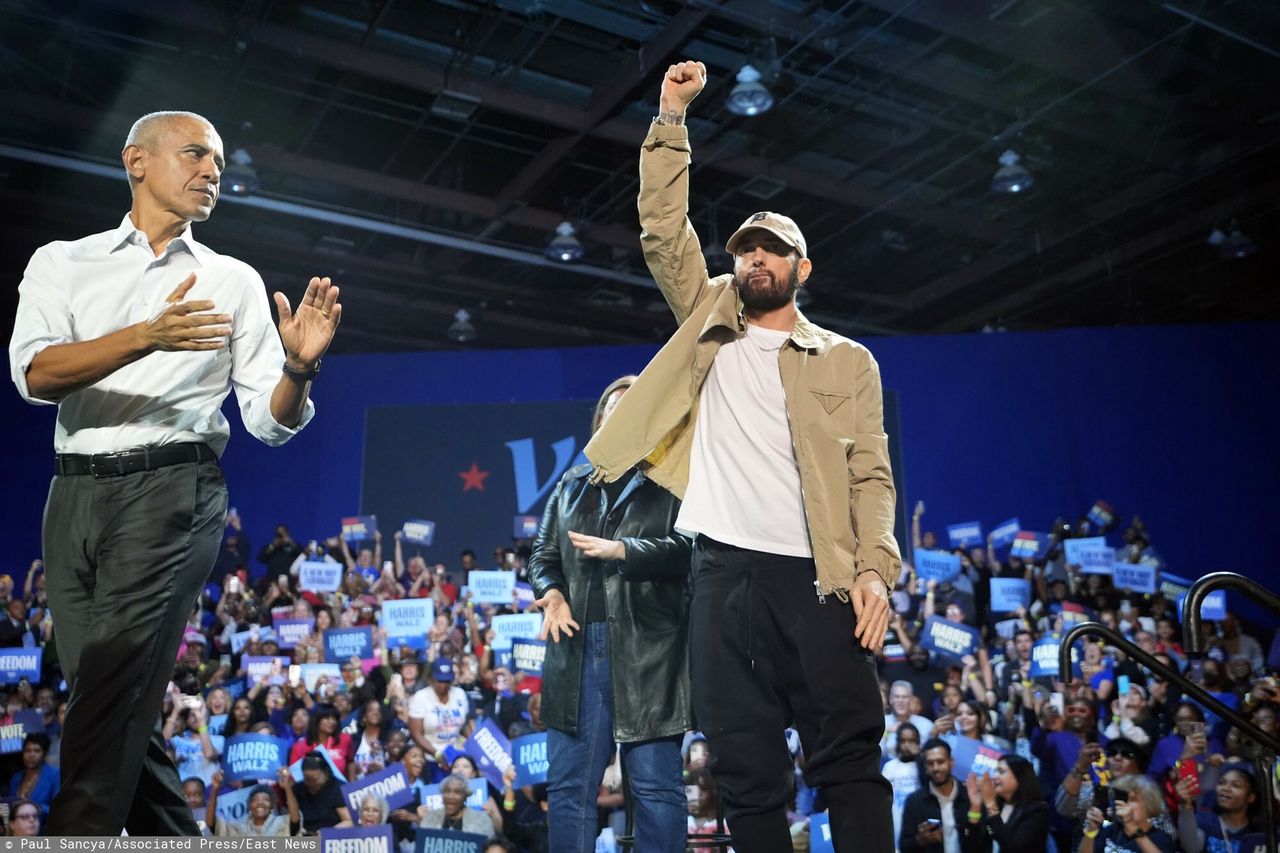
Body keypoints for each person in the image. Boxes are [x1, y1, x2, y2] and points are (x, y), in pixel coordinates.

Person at [581, 59, 898, 853]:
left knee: (849, 758)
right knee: (742, 764)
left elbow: (872, 476)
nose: (756, 259)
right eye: (746, 250)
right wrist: (670, 119)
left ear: (802, 269)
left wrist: (874, 569)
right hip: (721, 572)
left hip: (816, 575)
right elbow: (661, 229)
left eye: (773, 250)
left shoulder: (847, 359)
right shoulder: (705, 319)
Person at [8, 109, 342, 836]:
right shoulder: (63, 261)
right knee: (107, 691)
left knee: (108, 688)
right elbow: (35, 373)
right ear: (137, 161)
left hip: (173, 490)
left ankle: (71, 840)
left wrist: (297, 369)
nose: (212, 172)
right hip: (73, 492)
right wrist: (146, 336)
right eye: (195, 155)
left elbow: (269, 419)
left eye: (218, 164)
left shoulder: (232, 280)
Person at [529, 375, 693, 853]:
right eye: (609, 409)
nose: (616, 416)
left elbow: (691, 548)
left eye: (630, 408)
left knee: (656, 790)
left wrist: (626, 550)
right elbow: (543, 553)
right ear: (597, 422)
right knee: (568, 792)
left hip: (648, 656)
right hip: (576, 651)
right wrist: (553, 593)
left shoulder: (673, 482)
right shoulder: (570, 485)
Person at [962, 755, 1051, 853]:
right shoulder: (993, 805)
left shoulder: (1038, 811)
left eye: (1001, 772)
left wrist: (990, 804)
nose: (994, 776)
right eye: (995, 771)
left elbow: (1014, 848)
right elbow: (969, 848)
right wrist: (975, 807)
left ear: (1020, 776)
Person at [900, 739, 972, 853]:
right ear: (925, 767)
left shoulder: (970, 796)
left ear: (951, 761)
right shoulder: (914, 801)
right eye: (930, 763)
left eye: (940, 761)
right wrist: (920, 840)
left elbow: (984, 841)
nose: (936, 768)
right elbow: (904, 846)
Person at [1175, 763, 1262, 853]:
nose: (1226, 788)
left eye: (1236, 785)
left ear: (1250, 797)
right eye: (1221, 782)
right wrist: (1185, 805)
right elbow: (1191, 848)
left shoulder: (1260, 832)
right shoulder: (1204, 821)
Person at [1082, 774, 1175, 853]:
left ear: (1149, 804)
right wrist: (1091, 831)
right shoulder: (1111, 830)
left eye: (1132, 799)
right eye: (1123, 798)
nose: (1125, 803)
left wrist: (1131, 824)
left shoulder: (1161, 839)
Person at [208, 770, 300, 837]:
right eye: (255, 800)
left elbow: (295, 820)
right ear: (249, 806)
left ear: (272, 805)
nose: (260, 802)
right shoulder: (238, 828)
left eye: (266, 799)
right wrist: (215, 789)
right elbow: (212, 825)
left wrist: (287, 788)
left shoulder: (282, 824)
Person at [418, 773, 495, 838]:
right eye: (447, 791)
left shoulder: (481, 819)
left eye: (457, 792)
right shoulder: (430, 817)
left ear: (465, 797)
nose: (451, 796)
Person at [882, 723, 922, 846]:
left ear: (918, 743)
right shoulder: (890, 767)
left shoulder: (924, 765)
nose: (906, 745)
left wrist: (919, 759)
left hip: (918, 819)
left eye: (911, 741)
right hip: (896, 817)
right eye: (903, 741)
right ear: (897, 742)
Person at [294, 752, 351, 834]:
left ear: (325, 773)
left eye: (314, 779)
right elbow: (292, 819)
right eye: (307, 779)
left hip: (331, 838)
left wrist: (327, 833)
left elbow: (349, 821)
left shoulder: (338, 788)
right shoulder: (298, 789)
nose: (311, 783)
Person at [8, 733, 60, 817]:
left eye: (37, 750)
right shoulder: (16, 778)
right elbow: (10, 807)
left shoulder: (55, 775)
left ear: (44, 753)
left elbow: (59, 810)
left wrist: (35, 806)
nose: (31, 755)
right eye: (27, 750)